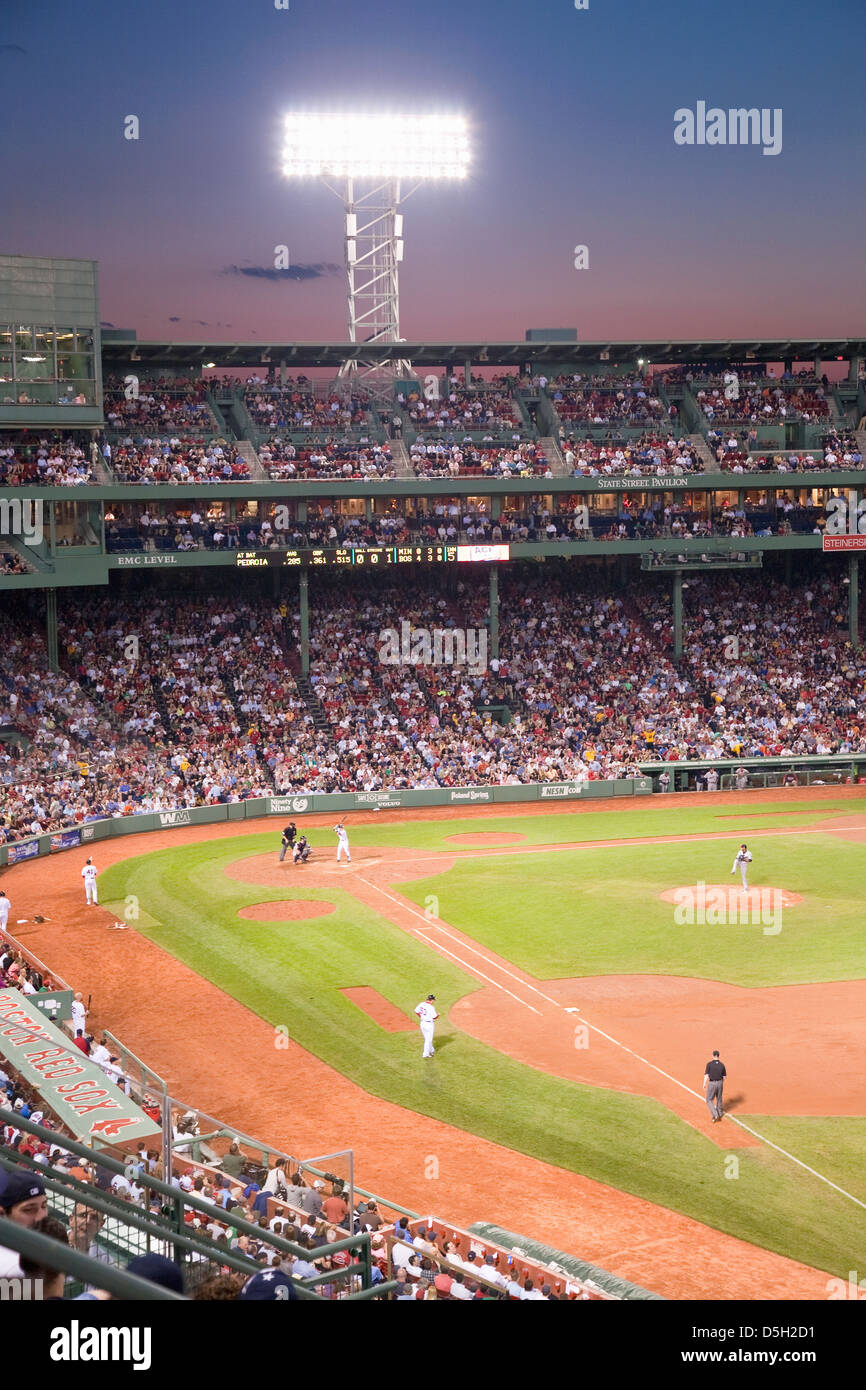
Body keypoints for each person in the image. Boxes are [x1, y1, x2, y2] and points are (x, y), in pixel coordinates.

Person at [703, 1050, 726, 1122]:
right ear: (718, 1056)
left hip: (712, 1083)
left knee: (709, 1099)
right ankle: (720, 1113)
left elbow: (706, 1075)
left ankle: (715, 1114)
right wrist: (720, 1083)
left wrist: (704, 1084)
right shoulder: (722, 1065)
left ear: (713, 1055)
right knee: (719, 1098)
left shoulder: (709, 1064)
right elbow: (724, 1077)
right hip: (720, 1083)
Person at [414, 994, 439, 1059]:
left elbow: (416, 1011)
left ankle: (431, 1050)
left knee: (427, 1038)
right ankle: (425, 1054)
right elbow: (434, 1017)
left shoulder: (421, 1004)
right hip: (429, 1025)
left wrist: (421, 1017)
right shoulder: (431, 1007)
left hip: (422, 1023)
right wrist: (438, 1015)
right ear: (432, 1000)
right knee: (428, 1040)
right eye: (433, 1000)